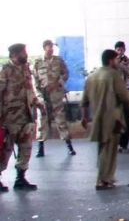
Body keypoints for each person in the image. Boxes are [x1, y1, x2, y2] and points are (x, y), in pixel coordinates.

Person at [81, 49, 129, 190]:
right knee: (110, 150)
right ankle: (104, 179)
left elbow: (84, 101)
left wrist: (84, 117)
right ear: (110, 60)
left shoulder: (91, 77)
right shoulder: (113, 75)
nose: (118, 62)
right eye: (116, 59)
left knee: (102, 149)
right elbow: (124, 95)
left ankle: (104, 178)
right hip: (113, 118)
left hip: (97, 118)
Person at [0, 43, 44, 191]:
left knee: (26, 148)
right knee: (5, 150)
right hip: (10, 118)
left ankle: (20, 179)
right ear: (14, 55)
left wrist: (38, 103)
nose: (25, 55)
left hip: (27, 116)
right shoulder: (5, 71)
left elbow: (30, 90)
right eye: (23, 53)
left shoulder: (26, 69)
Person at [32, 39, 75, 157]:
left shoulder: (58, 61)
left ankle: (69, 146)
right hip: (43, 97)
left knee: (61, 120)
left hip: (56, 95)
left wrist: (59, 83)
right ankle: (40, 148)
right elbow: (35, 82)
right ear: (44, 47)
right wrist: (39, 96)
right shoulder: (37, 62)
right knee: (42, 122)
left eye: (52, 47)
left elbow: (65, 73)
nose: (51, 49)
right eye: (49, 47)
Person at [114, 41, 129, 154]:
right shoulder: (112, 62)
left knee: (127, 119)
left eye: (122, 49)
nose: (120, 52)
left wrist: (127, 66)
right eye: (118, 49)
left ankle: (124, 144)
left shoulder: (128, 61)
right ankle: (116, 144)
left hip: (126, 94)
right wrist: (117, 64)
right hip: (115, 95)